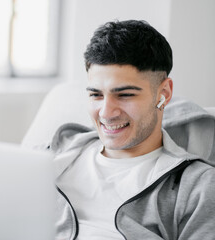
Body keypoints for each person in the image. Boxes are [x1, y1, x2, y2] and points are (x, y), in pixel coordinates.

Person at [51, 20, 215, 239]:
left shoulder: (197, 187)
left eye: (125, 95)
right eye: (96, 95)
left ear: (163, 93)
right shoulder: (54, 155)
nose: (106, 113)